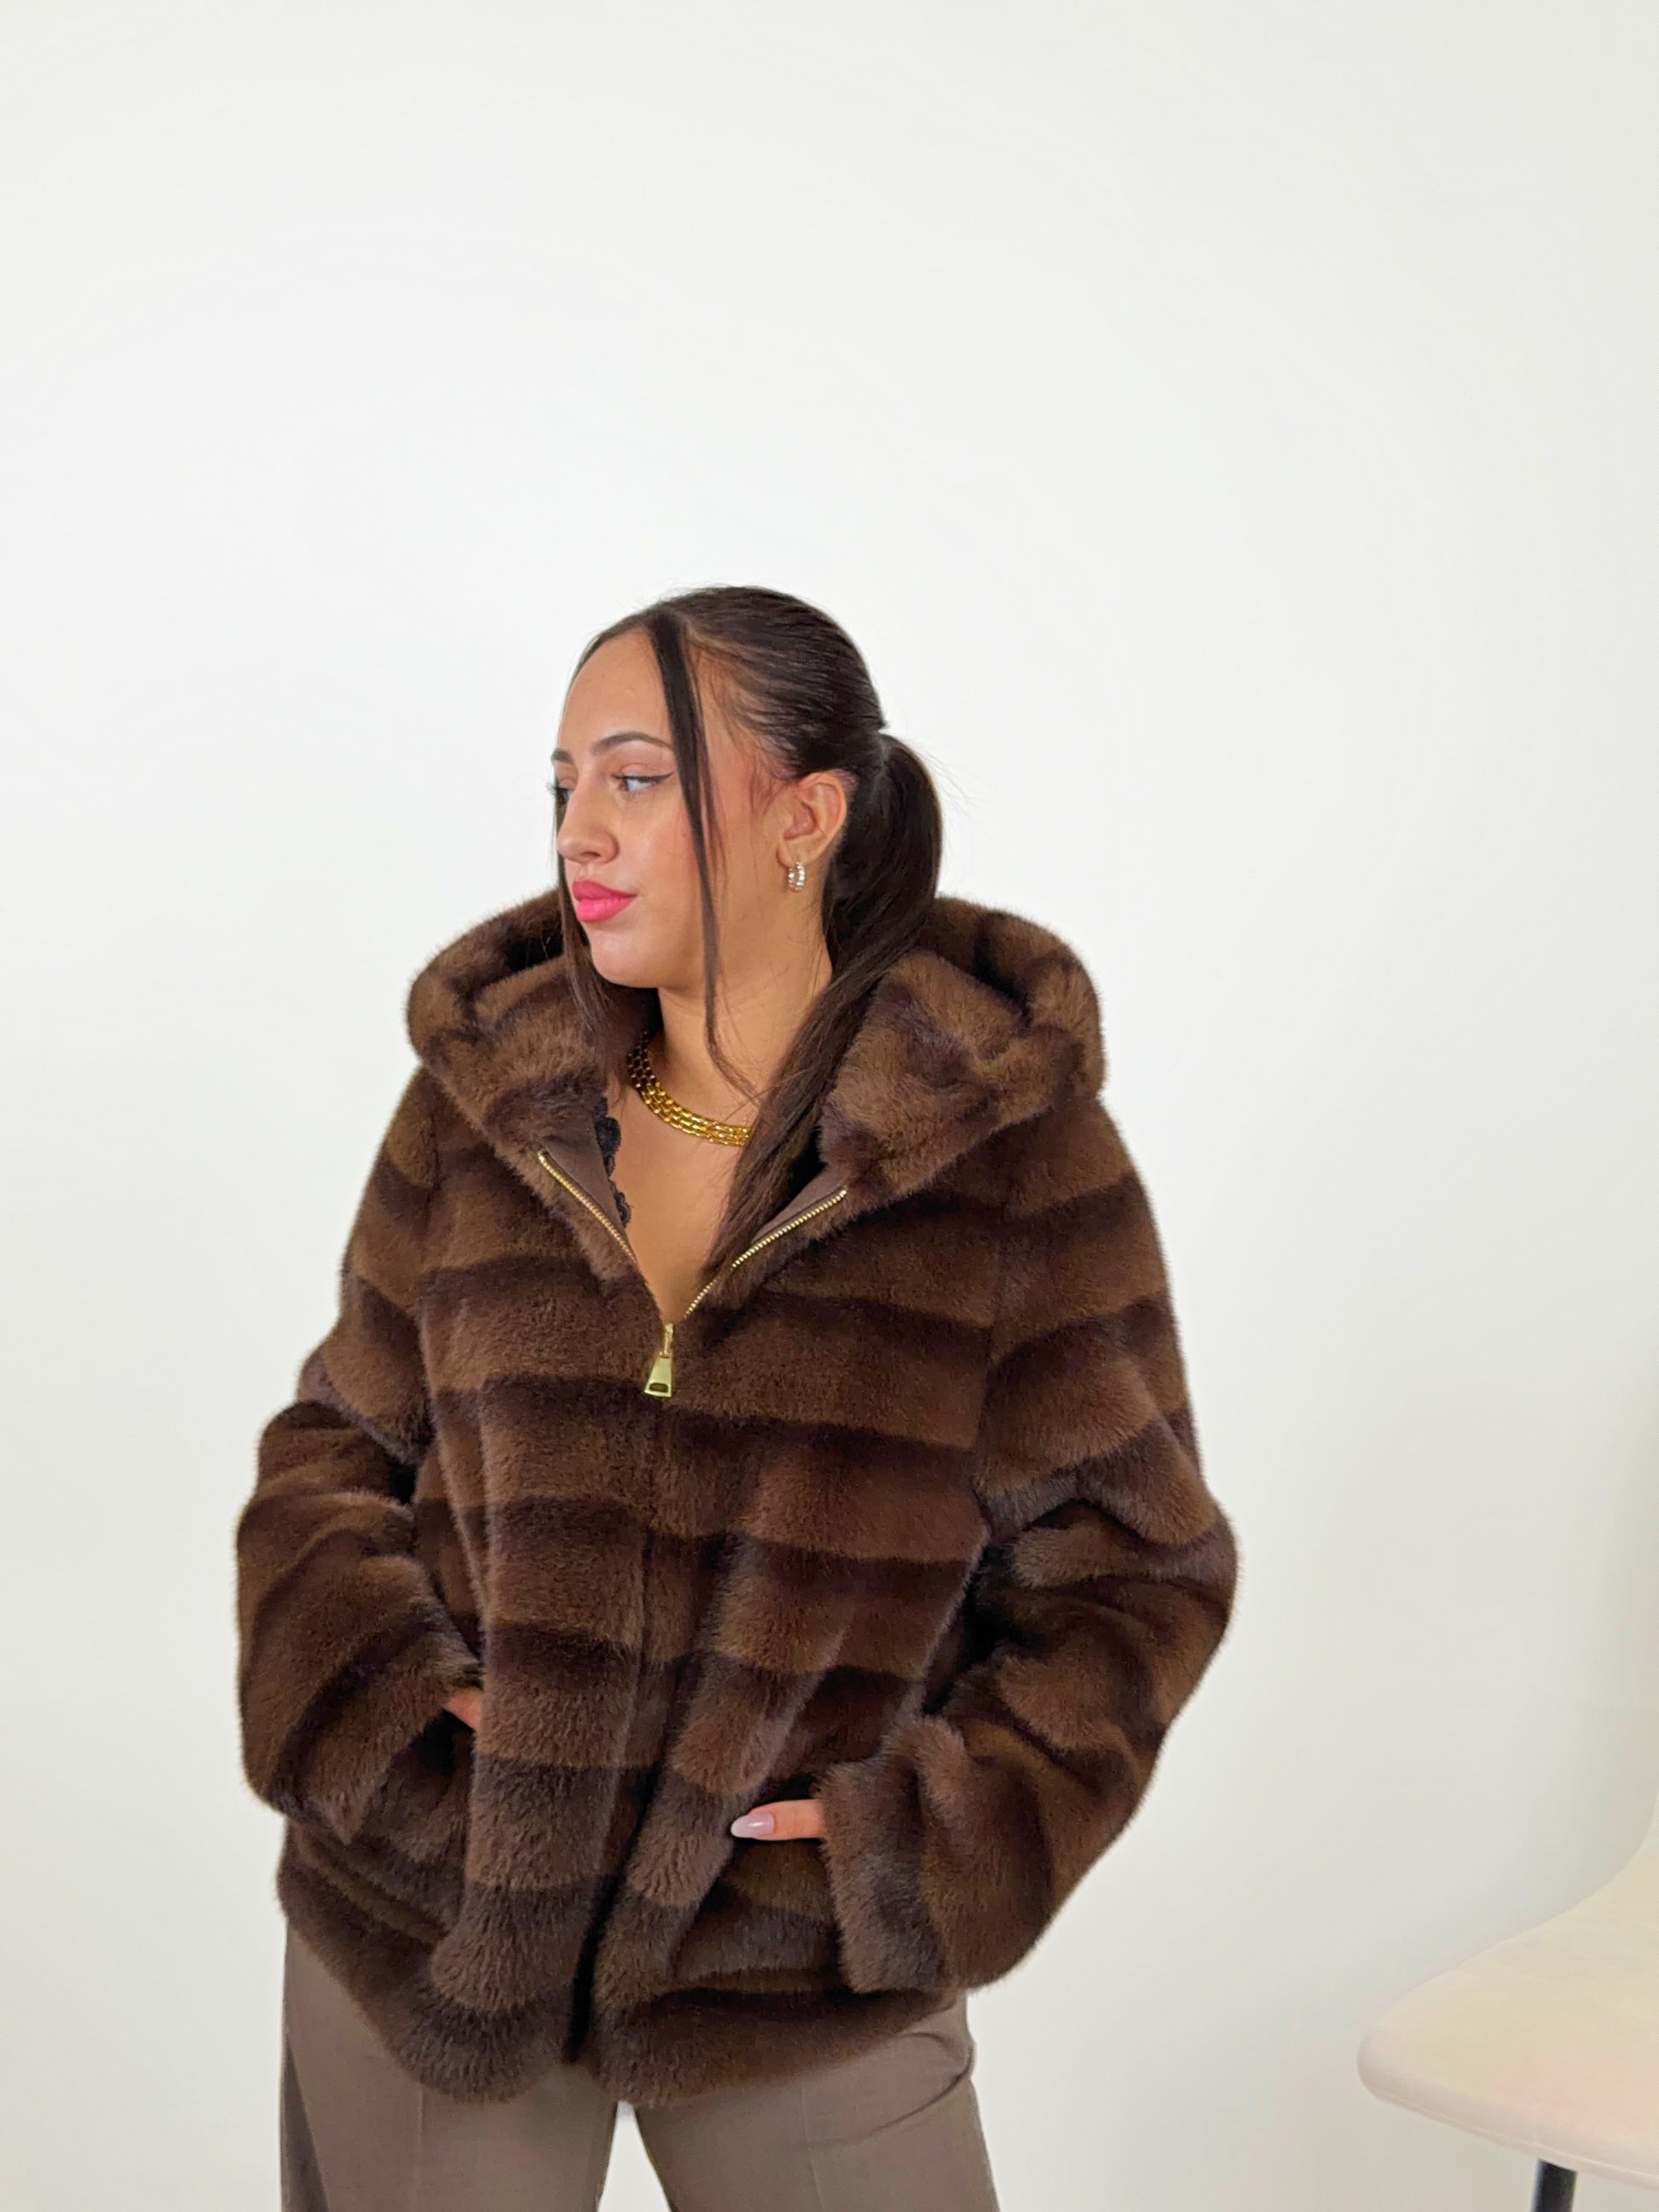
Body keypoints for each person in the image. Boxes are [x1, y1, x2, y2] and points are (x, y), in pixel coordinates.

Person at [235, 585, 1240, 2211]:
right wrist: (380, 1708)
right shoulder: (489, 1104)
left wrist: (909, 1856)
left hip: (796, 1962)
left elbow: (1136, 1573)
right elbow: (338, 1446)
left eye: (635, 776)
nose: (581, 827)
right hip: (431, 1908)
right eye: (562, 783)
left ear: (805, 815)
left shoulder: (1005, 1158)